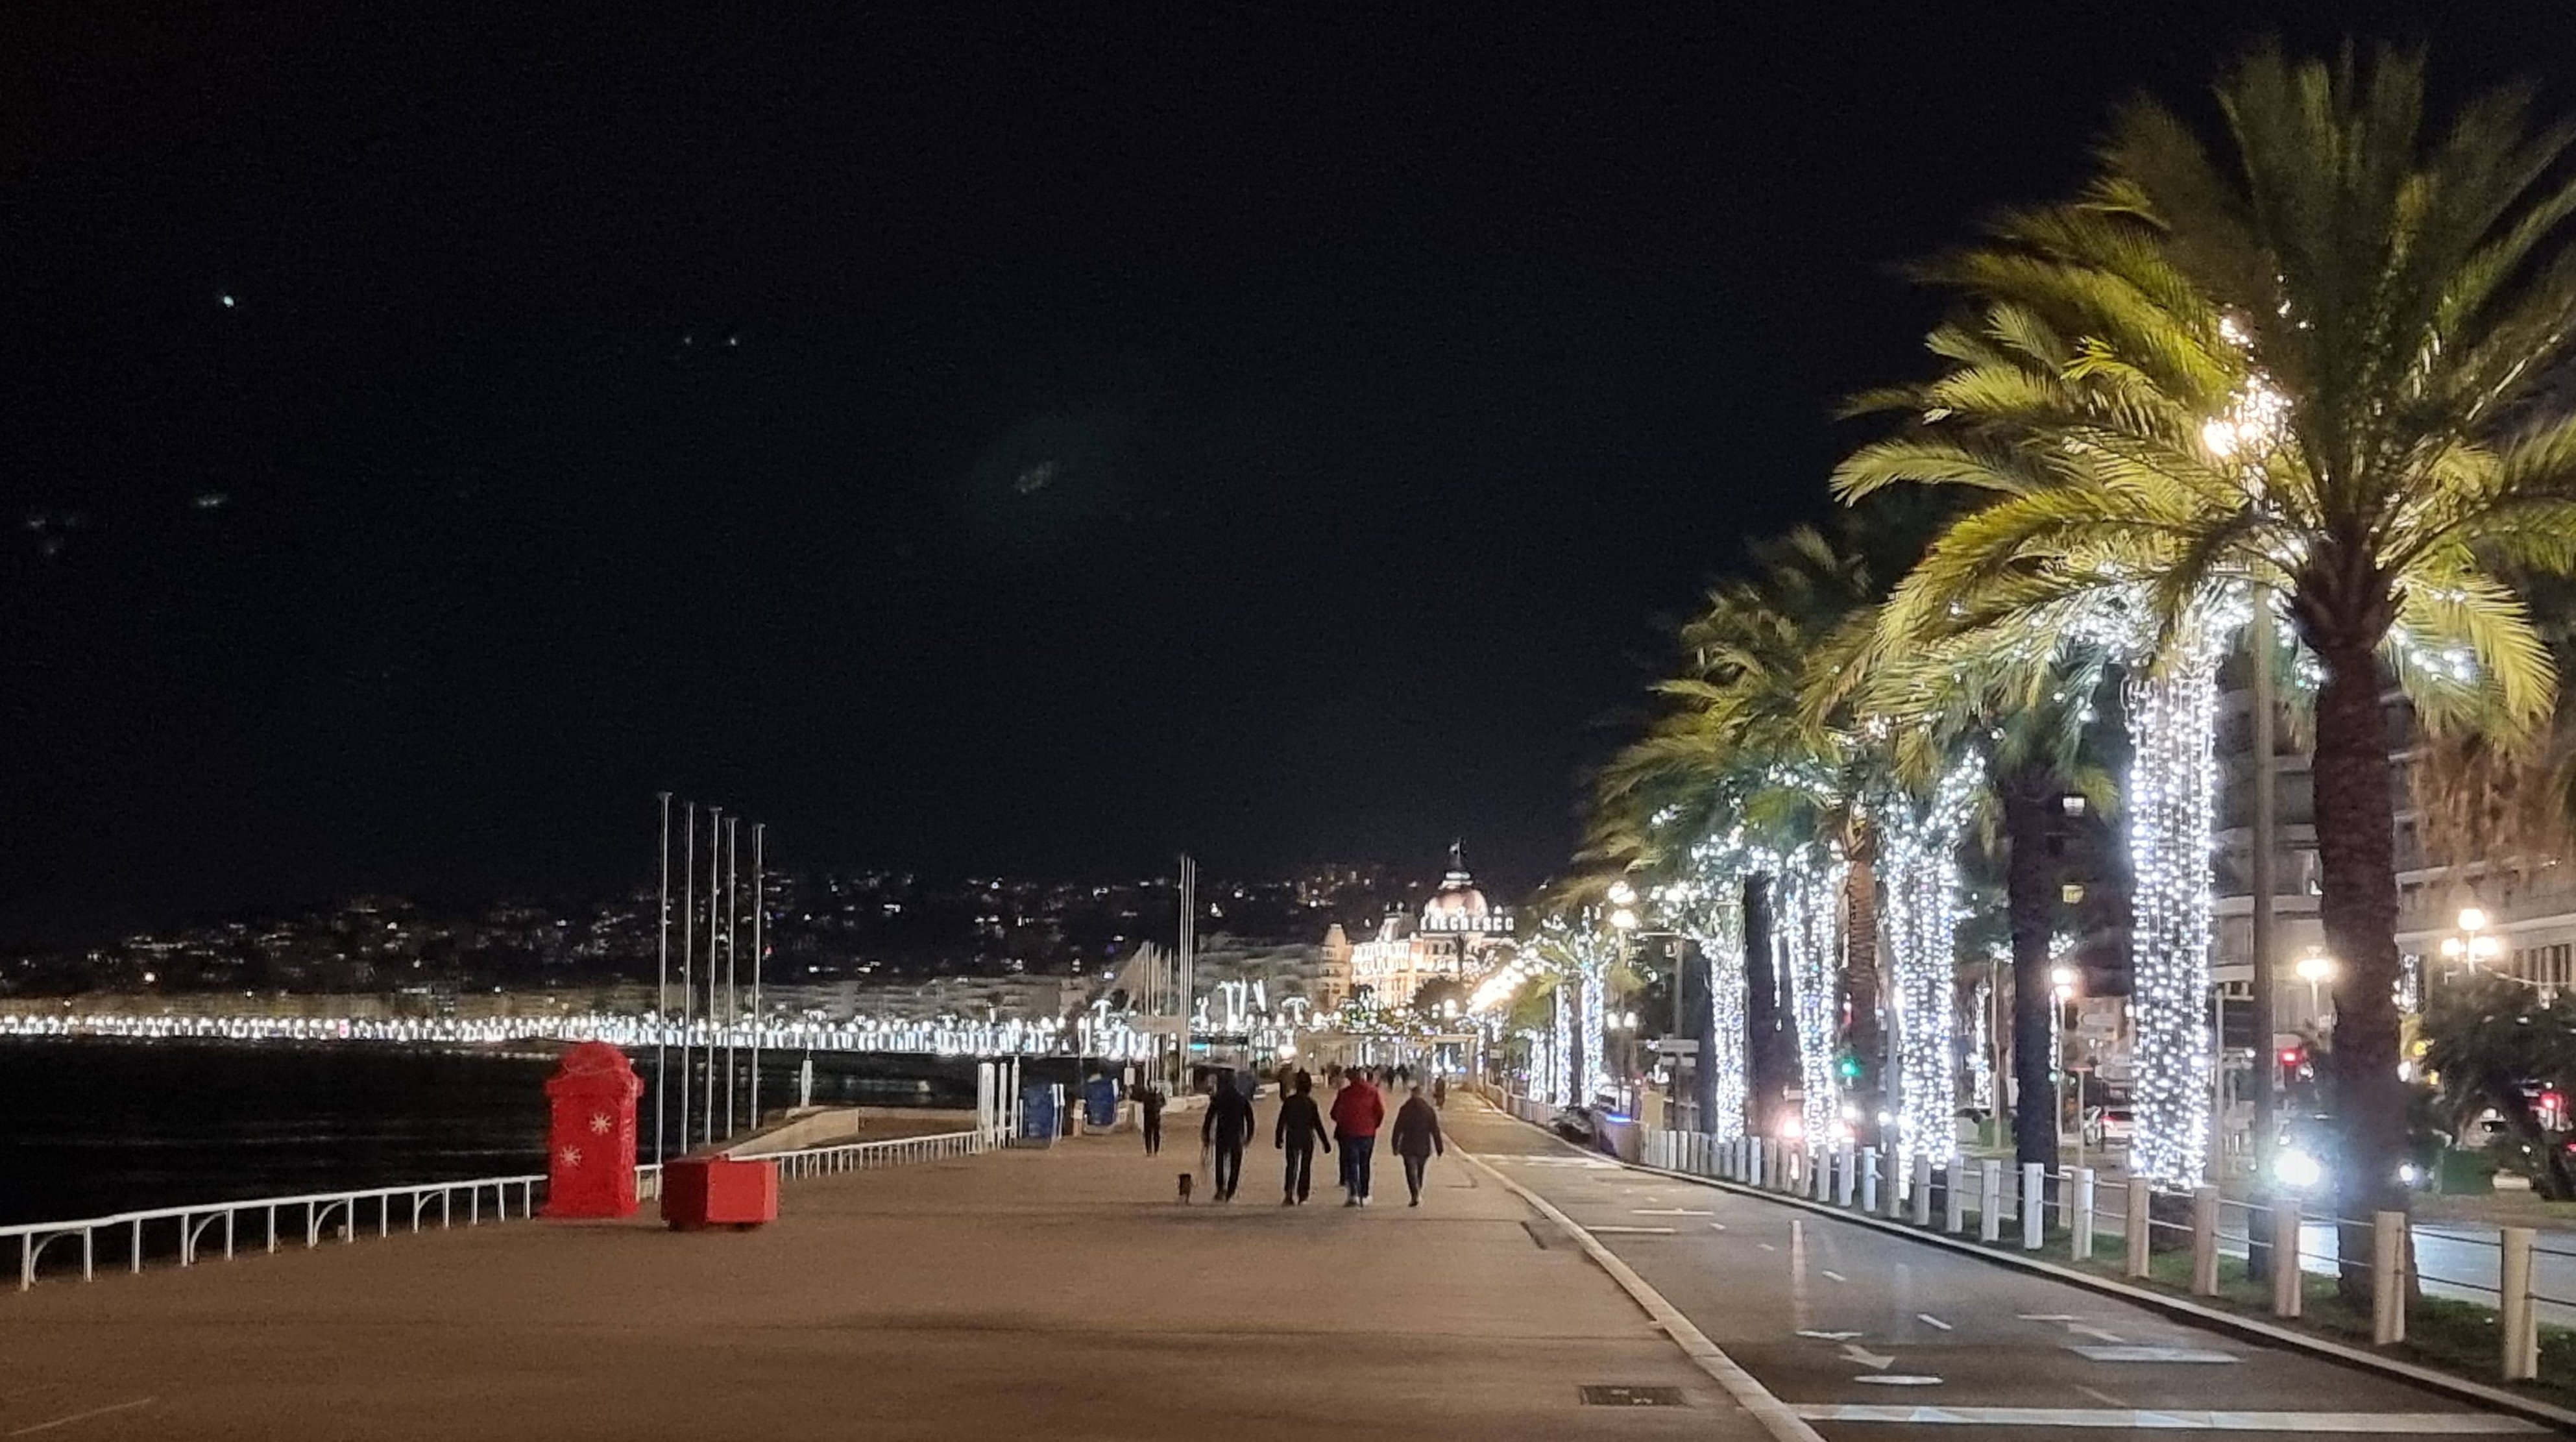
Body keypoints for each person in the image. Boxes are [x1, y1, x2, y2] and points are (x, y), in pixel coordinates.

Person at [1328, 1066, 1385, 1206]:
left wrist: (1345, 1122)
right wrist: (1373, 1126)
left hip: (1349, 1133)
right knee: (1365, 1163)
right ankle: (1364, 1194)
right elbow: (1380, 1112)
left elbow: (1334, 1114)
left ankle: (1353, 1194)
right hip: (1367, 1134)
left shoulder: (1344, 1094)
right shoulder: (1373, 1092)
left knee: (1352, 1163)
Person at [1273, 1069, 1331, 1205]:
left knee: (1291, 1165)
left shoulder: (1289, 1102)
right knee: (1305, 1167)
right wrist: (1325, 1142)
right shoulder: (1311, 1103)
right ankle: (1303, 1195)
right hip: (1307, 1137)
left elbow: (1282, 1121)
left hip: (1292, 1136)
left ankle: (1289, 1193)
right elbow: (1318, 1124)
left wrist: (1279, 1137)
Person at [1202, 1072, 1256, 1202]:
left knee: (1219, 1163)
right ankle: (1231, 1191)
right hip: (1237, 1135)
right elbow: (1250, 1120)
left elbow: (1209, 1118)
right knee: (1235, 1165)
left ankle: (1220, 1189)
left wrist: (1206, 1135)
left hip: (1222, 1134)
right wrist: (1249, 1136)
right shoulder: (1242, 1099)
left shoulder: (1218, 1098)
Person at [1390, 1084, 1447, 1206]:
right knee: (1420, 1170)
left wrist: (1395, 1145)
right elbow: (1435, 1130)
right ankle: (1418, 1191)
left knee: (1411, 1171)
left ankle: (1415, 1193)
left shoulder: (1405, 1109)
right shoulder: (1428, 1109)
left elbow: (1398, 1128)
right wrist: (1439, 1148)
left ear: (1412, 1094)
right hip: (1423, 1145)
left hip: (1408, 1145)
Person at [1139, 1082, 1165, 1156]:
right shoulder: (1150, 1096)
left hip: (1153, 1117)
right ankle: (1150, 1151)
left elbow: (1163, 1103)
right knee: (1150, 1134)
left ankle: (1153, 1151)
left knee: (1153, 1134)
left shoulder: (1157, 1096)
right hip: (1150, 1117)